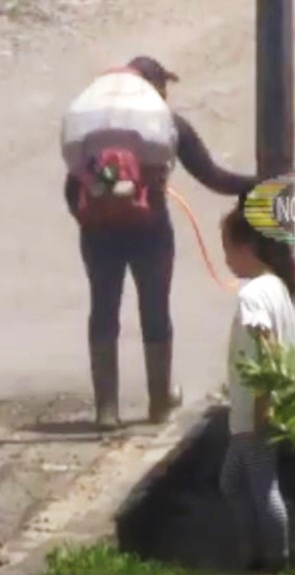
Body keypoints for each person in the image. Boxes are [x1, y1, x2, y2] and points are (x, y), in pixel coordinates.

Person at [65, 55, 258, 430]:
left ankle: (107, 409)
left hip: (98, 234)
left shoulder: (90, 130)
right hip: (150, 231)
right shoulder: (167, 125)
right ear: (156, 86)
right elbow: (213, 176)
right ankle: (159, 404)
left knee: (103, 309)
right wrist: (255, 183)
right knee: (155, 309)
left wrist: (94, 216)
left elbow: (71, 190)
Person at [218, 199, 295, 573]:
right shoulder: (277, 287)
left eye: (227, 249)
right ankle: (253, 555)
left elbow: (266, 346)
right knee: (232, 482)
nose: (225, 260)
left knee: (263, 489)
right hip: (261, 409)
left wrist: (262, 404)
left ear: (245, 247)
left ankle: (275, 562)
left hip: (256, 412)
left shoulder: (252, 294)